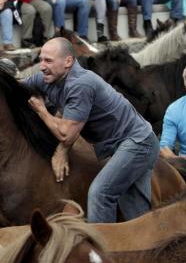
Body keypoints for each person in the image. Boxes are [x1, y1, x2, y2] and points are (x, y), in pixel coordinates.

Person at [24, 37, 159, 223]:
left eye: (48, 60)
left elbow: (66, 133)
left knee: (100, 193)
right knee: (136, 214)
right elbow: (16, 86)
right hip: (125, 145)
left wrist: (42, 111)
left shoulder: (81, 84)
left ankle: (100, 247)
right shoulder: (49, 77)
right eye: (41, 60)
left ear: (68, 62)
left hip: (138, 143)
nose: (42, 66)